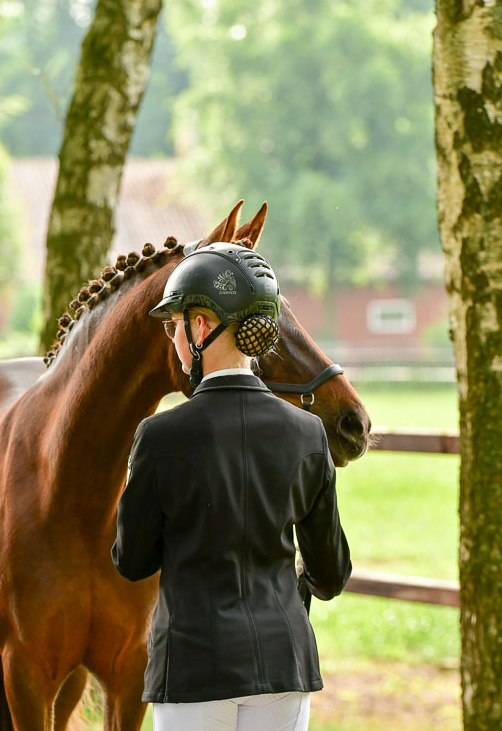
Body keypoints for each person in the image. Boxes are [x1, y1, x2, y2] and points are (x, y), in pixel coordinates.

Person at [111, 240, 352, 731]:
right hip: (284, 665)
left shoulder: (158, 436)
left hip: (192, 668)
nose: (173, 338)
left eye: (175, 325)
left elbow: (132, 560)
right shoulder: (308, 434)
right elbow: (330, 575)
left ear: (201, 327)